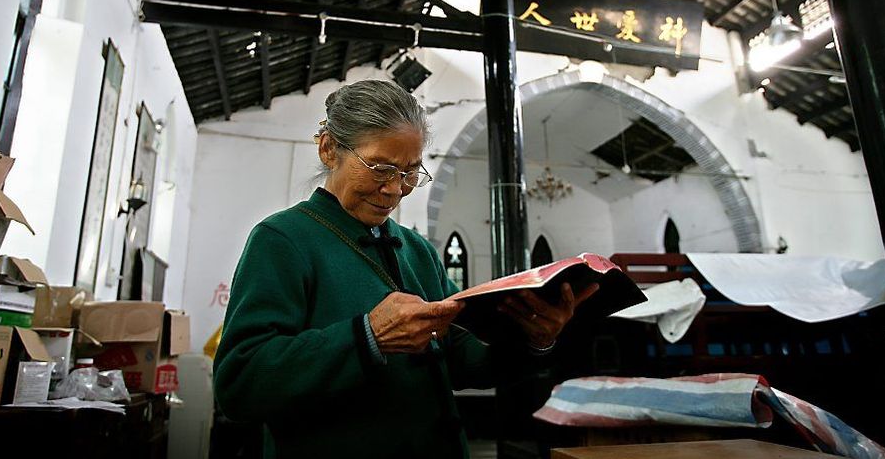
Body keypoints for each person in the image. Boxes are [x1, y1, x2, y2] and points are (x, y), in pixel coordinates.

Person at [213, 79, 598, 459]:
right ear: (329, 149)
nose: (395, 189)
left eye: (410, 172)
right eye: (380, 168)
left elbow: (466, 362)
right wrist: (367, 338)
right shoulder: (283, 240)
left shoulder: (416, 251)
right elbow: (239, 384)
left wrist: (535, 339)